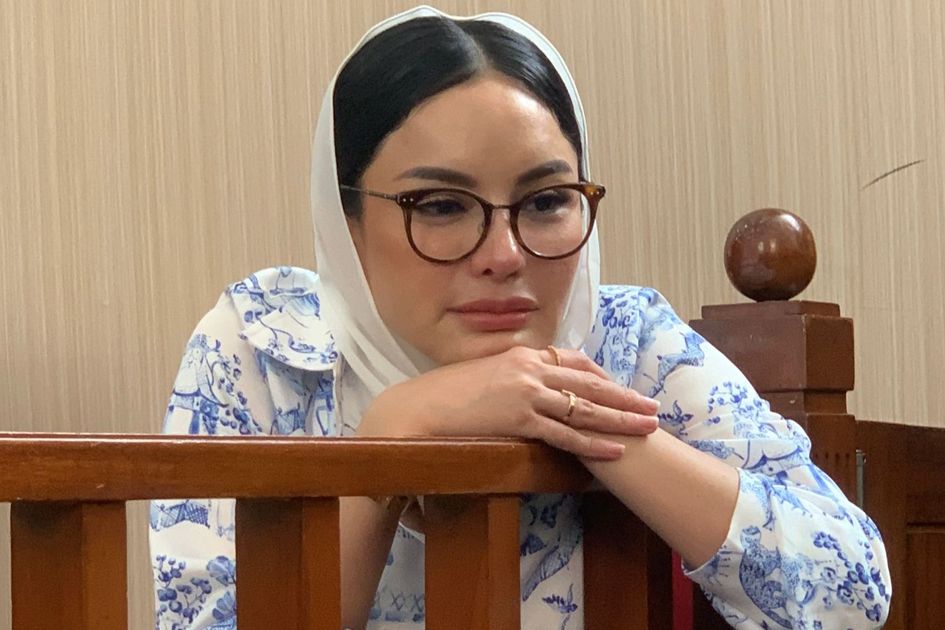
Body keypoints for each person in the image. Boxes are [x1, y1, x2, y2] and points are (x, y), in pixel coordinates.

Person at [150, 6, 890, 629]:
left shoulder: (625, 341)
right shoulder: (267, 343)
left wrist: (585, 419)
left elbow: (854, 601)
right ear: (344, 225)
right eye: (440, 206)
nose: (504, 255)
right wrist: (392, 437)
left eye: (545, 202)